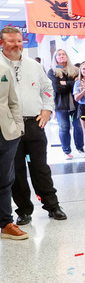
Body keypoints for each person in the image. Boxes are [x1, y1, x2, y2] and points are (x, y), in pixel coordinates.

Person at [0, 27, 66, 225]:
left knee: (40, 167)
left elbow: (47, 88)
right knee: (16, 170)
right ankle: (23, 210)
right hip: (8, 126)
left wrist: (47, 109)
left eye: (19, 41)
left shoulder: (33, 65)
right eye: (11, 41)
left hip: (34, 123)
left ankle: (52, 206)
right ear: (2, 43)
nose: (16, 45)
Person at [0, 58, 26, 240]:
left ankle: (6, 223)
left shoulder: (4, 70)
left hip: (7, 133)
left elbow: (12, 101)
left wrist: (18, 127)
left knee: (5, 179)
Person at [48, 49, 84, 160]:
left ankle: (80, 148)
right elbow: (57, 88)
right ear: (55, 58)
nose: (62, 56)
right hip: (61, 105)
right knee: (64, 128)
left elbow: (79, 85)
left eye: (64, 54)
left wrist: (65, 83)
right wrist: (71, 83)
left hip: (75, 105)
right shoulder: (53, 71)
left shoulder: (75, 69)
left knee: (78, 127)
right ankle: (66, 150)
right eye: (59, 54)